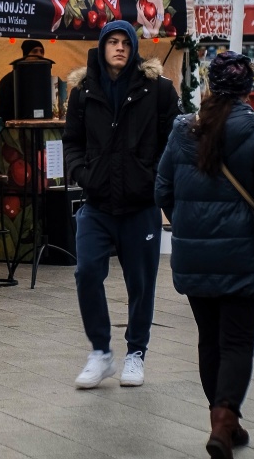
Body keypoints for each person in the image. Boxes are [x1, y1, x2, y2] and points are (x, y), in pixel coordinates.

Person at [156, 51, 254, 458]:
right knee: (236, 343)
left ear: (210, 86)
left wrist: (185, 225)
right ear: (248, 89)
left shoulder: (183, 129)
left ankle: (224, 425)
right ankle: (224, 421)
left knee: (209, 342)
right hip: (243, 257)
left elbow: (162, 188)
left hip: (193, 256)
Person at [65, 20, 179, 389]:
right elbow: (72, 141)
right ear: (101, 47)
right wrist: (83, 174)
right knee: (86, 273)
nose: (118, 48)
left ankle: (136, 353)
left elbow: (172, 141)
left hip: (140, 203)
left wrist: (153, 178)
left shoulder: (158, 90)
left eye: (124, 42)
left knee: (140, 283)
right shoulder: (82, 92)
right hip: (97, 203)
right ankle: (100, 352)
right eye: (111, 42)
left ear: (133, 48)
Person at [0, 40, 51, 131]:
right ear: (26, 54)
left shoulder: (46, 78)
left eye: (41, 51)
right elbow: (0, 113)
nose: (39, 55)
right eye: (35, 51)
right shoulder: (9, 80)